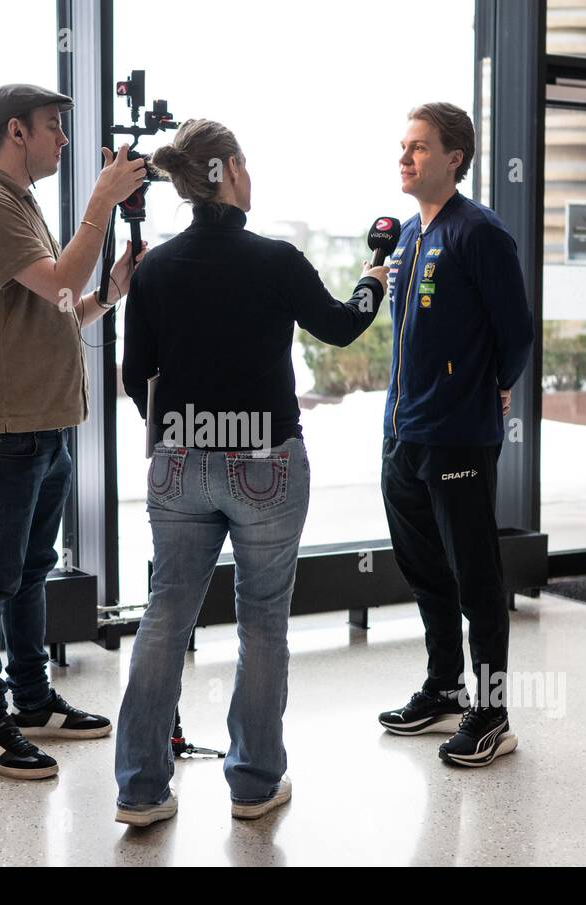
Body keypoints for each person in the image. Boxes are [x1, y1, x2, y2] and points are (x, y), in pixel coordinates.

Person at [114, 118, 389, 826]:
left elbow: (132, 375)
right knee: (261, 624)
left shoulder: (155, 269)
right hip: (265, 462)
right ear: (231, 170)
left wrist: (182, 421)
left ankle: (141, 790)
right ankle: (253, 785)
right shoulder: (275, 259)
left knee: (165, 616)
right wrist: (372, 282)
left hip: (177, 461)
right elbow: (339, 327)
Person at [0, 82, 147, 780]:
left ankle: (32, 704)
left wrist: (110, 294)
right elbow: (62, 279)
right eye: (52, 128)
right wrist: (101, 200)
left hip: (47, 424)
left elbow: (59, 305)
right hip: (7, 428)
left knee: (32, 571)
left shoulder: (20, 205)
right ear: (15, 133)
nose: (63, 140)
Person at [376, 102, 534, 768]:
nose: (405, 158)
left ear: (454, 158)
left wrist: (490, 385)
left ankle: (491, 711)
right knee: (426, 571)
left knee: (477, 579)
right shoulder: (409, 237)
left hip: (459, 438)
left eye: (419, 147)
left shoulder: (480, 234)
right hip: (403, 435)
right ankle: (444, 688)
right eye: (402, 147)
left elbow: (517, 332)